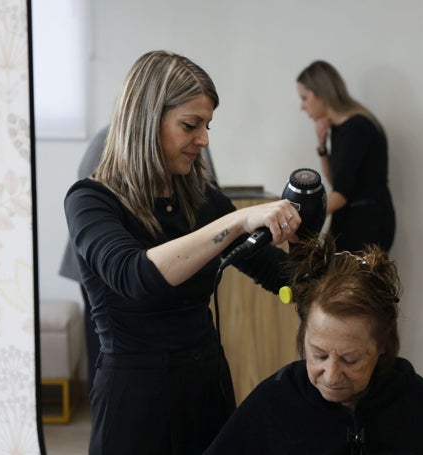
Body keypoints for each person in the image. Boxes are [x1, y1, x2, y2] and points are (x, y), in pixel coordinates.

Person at [63, 50, 302, 455]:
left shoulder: (203, 201)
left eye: (207, 126)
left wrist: (314, 254)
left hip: (207, 389)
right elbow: (137, 276)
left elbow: (279, 274)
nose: (204, 140)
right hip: (135, 403)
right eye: (191, 125)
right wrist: (237, 222)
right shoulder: (91, 201)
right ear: (145, 120)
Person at [204, 236, 423, 454]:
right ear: (304, 336)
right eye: (319, 355)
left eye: (351, 359)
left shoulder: (413, 401)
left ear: (383, 346)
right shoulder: (273, 403)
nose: (332, 376)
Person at [296, 60, 396, 253]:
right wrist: (322, 147)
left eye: (304, 98)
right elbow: (336, 180)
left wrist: (304, 221)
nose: (302, 106)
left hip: (366, 224)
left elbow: (340, 195)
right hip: (352, 219)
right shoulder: (341, 128)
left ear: (321, 95)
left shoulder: (356, 128)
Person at [58, 124, 108, 394]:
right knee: (100, 339)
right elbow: (85, 189)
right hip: (94, 261)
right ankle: (96, 402)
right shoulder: (107, 137)